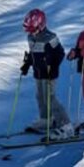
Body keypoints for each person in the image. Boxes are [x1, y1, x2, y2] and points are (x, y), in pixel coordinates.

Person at [20, 9, 73, 140]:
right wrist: (27, 64)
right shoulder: (31, 37)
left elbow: (60, 53)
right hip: (38, 72)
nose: (31, 32)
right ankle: (46, 119)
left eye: (33, 29)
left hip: (50, 73)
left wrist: (53, 65)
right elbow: (33, 53)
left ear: (41, 25)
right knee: (40, 96)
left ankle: (66, 125)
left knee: (50, 98)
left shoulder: (50, 37)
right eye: (29, 30)